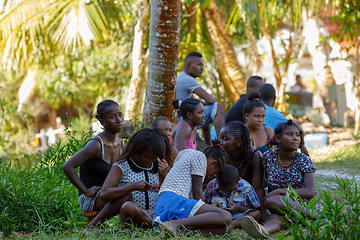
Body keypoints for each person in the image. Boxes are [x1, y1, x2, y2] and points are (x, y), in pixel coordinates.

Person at [242, 120, 319, 239]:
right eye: (290, 134)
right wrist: (263, 213)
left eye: (297, 135)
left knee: (271, 201)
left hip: (303, 204)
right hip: (280, 204)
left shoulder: (304, 159)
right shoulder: (269, 157)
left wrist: (281, 191)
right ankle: (263, 230)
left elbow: (310, 192)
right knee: (275, 217)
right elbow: (262, 185)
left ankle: (314, 216)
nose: (295, 138)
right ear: (278, 138)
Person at [87, 128, 174, 231]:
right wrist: (133, 186)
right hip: (133, 216)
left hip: (158, 215)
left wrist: (164, 175)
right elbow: (105, 193)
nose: (150, 160)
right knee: (127, 206)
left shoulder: (160, 165)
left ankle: (158, 226)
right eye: (146, 156)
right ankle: (159, 228)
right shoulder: (122, 165)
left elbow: (169, 196)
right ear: (136, 150)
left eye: (154, 157)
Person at [153, 141, 232, 237]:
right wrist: (210, 211)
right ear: (213, 162)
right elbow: (197, 192)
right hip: (173, 200)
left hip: (165, 206)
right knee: (226, 216)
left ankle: (172, 233)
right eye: (211, 173)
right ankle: (173, 224)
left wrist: (209, 209)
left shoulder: (186, 154)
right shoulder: (199, 156)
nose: (207, 175)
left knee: (224, 229)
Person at [62, 99, 124, 218]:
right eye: (112, 117)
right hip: (91, 198)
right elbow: (67, 166)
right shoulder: (96, 144)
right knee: (124, 195)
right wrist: (86, 191)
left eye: (120, 115)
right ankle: (93, 227)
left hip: (108, 194)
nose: (119, 120)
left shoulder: (121, 145)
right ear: (102, 122)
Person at [219, 121, 266, 221]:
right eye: (220, 138)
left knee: (256, 215)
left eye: (225, 139)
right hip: (225, 204)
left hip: (246, 204)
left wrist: (263, 214)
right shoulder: (223, 156)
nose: (221, 142)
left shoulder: (254, 156)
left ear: (239, 142)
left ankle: (229, 224)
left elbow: (258, 188)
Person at [176, 51, 225, 145]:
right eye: (198, 65)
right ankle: (221, 142)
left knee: (200, 110)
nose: (202, 68)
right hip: (181, 119)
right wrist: (203, 104)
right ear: (188, 65)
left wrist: (200, 105)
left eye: (202, 65)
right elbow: (211, 100)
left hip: (181, 117)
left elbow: (195, 101)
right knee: (218, 107)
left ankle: (208, 145)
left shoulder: (181, 77)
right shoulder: (188, 79)